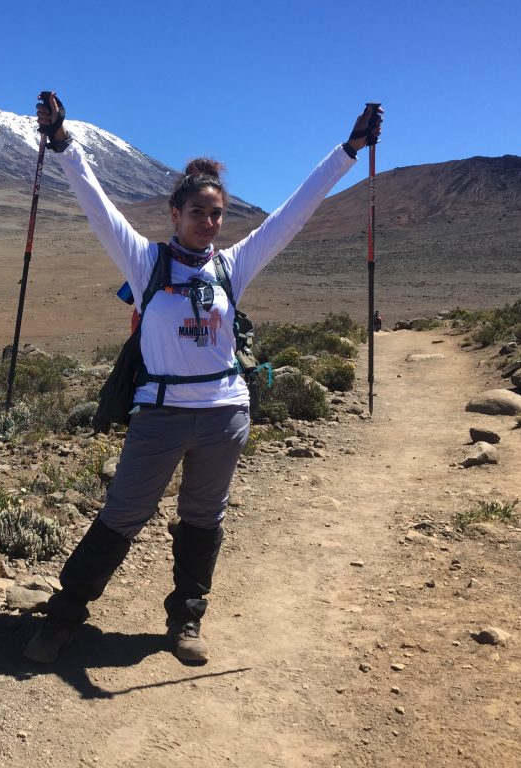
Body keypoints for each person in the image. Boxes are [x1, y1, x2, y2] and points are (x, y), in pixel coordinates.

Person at [24, 93, 383, 665]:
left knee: (203, 517)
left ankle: (186, 621)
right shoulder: (144, 261)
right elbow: (95, 203)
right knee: (122, 515)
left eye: (217, 214)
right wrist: (64, 144)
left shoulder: (232, 265)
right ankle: (65, 615)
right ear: (176, 213)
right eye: (199, 213)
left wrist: (349, 150)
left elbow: (293, 212)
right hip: (160, 415)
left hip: (224, 415)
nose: (210, 222)